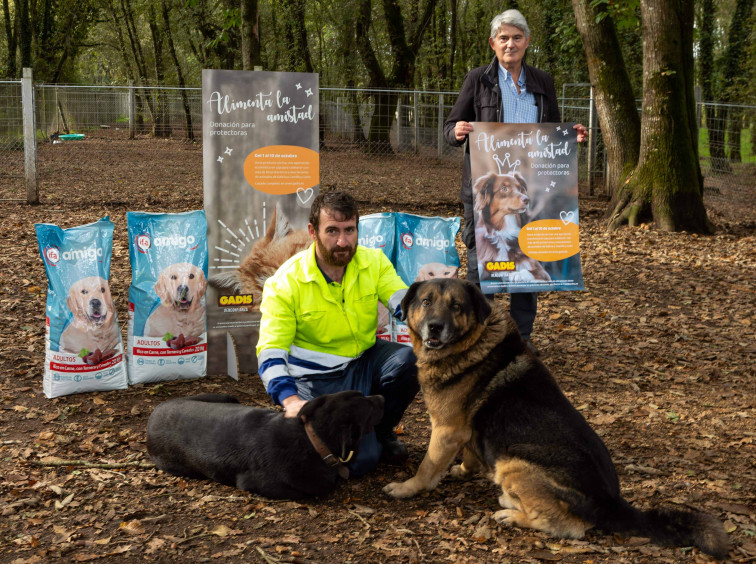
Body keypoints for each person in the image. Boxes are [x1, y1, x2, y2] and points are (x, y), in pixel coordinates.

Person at [443, 9, 587, 356]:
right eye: (504, 38)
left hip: (530, 189)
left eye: (517, 37)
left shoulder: (542, 82)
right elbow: (450, 128)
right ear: (493, 43)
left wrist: (571, 135)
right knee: (481, 266)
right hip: (484, 192)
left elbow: (551, 130)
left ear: (527, 42)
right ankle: (481, 337)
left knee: (528, 260)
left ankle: (521, 338)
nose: (510, 44)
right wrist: (458, 132)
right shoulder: (478, 80)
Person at [256, 191, 419, 476]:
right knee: (358, 463)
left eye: (349, 230)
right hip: (317, 376)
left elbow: (404, 303)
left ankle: (381, 431)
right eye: (332, 231)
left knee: (411, 360)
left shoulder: (373, 262)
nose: (343, 242)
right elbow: (270, 352)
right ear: (312, 232)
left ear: (358, 229)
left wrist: (434, 320)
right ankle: (366, 439)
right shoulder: (284, 283)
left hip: (364, 359)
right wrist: (290, 400)